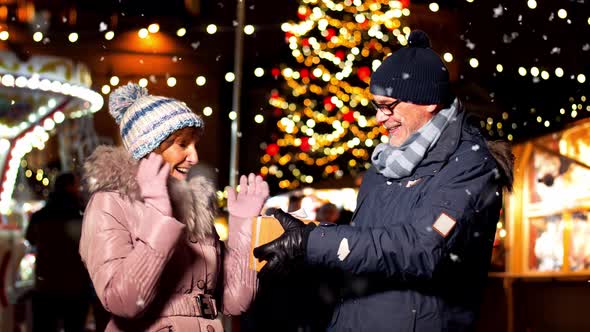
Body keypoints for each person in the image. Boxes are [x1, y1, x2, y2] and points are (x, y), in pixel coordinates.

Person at [254, 30, 514, 331]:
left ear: (428, 101)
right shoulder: (385, 164)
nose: (379, 118)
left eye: (388, 105)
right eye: (376, 106)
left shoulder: (470, 164)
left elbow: (421, 249)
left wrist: (314, 242)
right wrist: (306, 247)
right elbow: (365, 249)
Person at [79, 83, 268, 331]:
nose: (194, 157)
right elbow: (123, 302)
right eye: (182, 144)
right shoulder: (110, 203)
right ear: (149, 150)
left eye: (194, 144)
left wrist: (243, 225)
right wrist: (158, 215)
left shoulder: (193, 209)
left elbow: (235, 302)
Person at [25, 172, 92, 332]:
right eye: (76, 185)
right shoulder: (81, 215)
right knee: (74, 326)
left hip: (47, 284)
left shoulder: (40, 215)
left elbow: (30, 239)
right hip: (75, 285)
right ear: (70, 187)